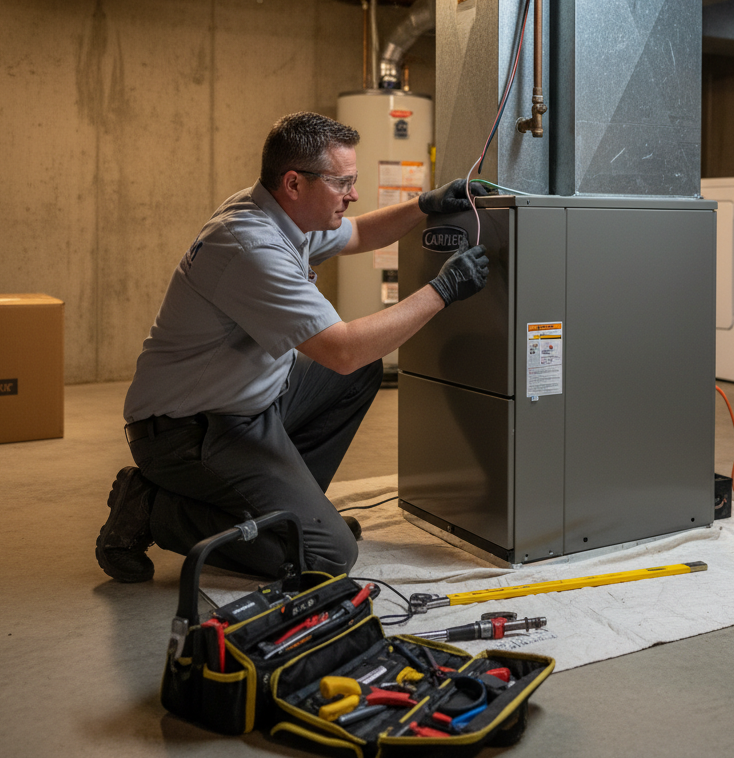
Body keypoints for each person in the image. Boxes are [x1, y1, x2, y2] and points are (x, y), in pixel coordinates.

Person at [95, 111, 489, 583]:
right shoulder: (251, 246)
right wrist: (443, 291)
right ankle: (151, 507)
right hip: (188, 433)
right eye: (342, 182)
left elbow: (361, 232)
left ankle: (294, 515)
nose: (354, 194)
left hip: (252, 401)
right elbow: (343, 349)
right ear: (294, 183)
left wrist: (424, 204)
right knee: (325, 559)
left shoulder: (281, 212)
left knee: (356, 377)